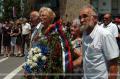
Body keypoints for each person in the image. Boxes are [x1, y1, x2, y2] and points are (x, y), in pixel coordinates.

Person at [79, 5, 119, 79]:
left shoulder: (105, 35)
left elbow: (113, 65)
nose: (81, 20)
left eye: (85, 16)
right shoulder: (84, 34)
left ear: (95, 18)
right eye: (80, 17)